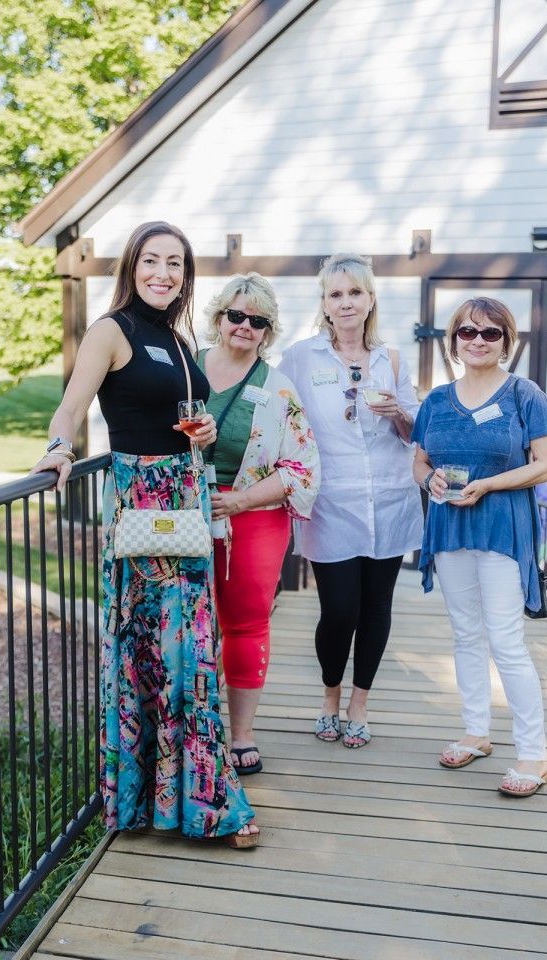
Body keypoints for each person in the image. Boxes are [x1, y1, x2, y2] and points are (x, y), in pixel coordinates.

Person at [31, 221, 259, 845]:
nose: (164, 273)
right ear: (132, 266)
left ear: (187, 275)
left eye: (176, 264)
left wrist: (204, 433)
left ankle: (190, 798)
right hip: (142, 504)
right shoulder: (112, 330)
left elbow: (186, 415)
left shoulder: (179, 339)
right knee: (156, 651)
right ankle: (182, 803)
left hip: (184, 498)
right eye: (152, 261)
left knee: (190, 650)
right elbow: (72, 406)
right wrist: (57, 449)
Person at [412, 297, 547, 798]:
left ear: (506, 340)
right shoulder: (436, 400)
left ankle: (533, 753)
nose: (478, 340)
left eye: (491, 333)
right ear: (453, 339)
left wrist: (491, 485)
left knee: (506, 639)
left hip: (501, 527)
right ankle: (477, 731)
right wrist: (431, 479)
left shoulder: (525, 394)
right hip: (450, 527)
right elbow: (420, 462)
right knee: (465, 633)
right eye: (468, 332)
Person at [278, 253, 423, 748]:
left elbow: (413, 433)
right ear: (324, 303)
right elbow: (278, 417)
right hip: (330, 503)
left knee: (376, 607)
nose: (346, 303)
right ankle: (330, 696)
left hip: (388, 499)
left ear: (370, 300)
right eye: (336, 294)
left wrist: (398, 412)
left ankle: (360, 705)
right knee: (339, 609)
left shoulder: (393, 358)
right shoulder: (300, 358)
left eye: (354, 293)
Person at [198, 272, 320, 775]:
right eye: (236, 315)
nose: (245, 326)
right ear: (219, 318)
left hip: (254, 518)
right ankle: (190, 733)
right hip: (182, 515)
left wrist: (241, 500)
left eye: (258, 321)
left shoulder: (278, 388)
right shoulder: (186, 369)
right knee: (185, 625)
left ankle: (241, 735)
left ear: (269, 331)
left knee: (245, 624)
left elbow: (303, 466)